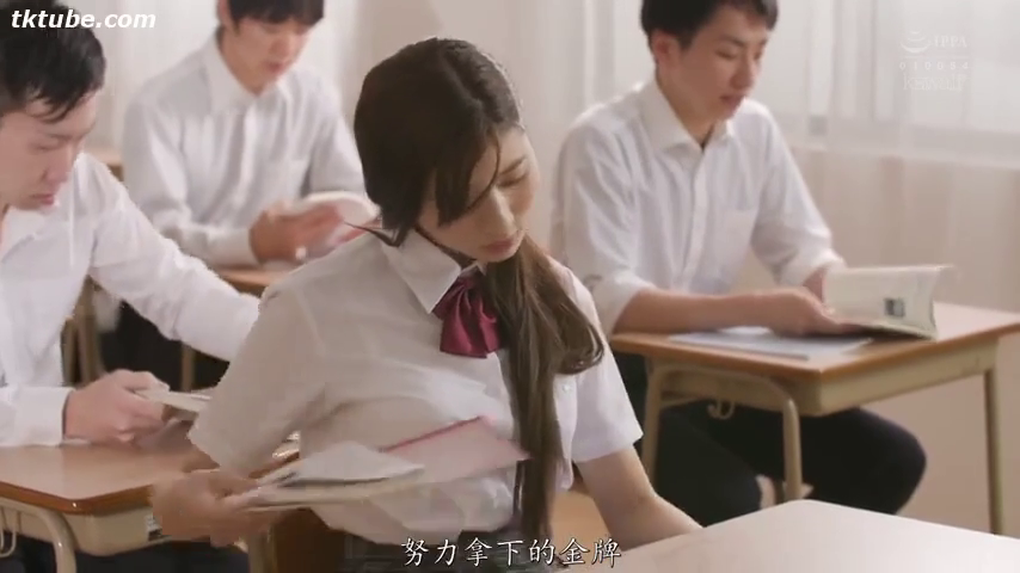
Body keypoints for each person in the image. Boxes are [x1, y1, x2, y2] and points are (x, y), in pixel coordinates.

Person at [148, 37, 703, 572]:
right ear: (399, 200)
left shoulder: (558, 295)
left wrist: (732, 555)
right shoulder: (317, 308)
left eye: (513, 177)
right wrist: (183, 508)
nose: (502, 220)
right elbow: (187, 485)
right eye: (463, 201)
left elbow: (633, 509)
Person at [549, 0, 926, 526]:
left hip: (709, 376)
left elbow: (801, 249)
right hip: (613, 382)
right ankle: (766, 553)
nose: (748, 76)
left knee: (890, 460)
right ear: (665, 48)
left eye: (759, 53)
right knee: (728, 498)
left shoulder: (755, 130)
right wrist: (761, 308)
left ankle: (781, 558)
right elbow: (611, 301)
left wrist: (850, 298)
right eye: (729, 54)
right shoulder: (602, 140)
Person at [0, 1, 256, 570]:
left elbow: (176, 288)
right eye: (46, 143)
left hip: (42, 485)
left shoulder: (81, 187)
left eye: (80, 139)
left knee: (215, 562)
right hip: (27, 497)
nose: (65, 167)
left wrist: (288, 347)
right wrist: (66, 412)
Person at [113, 0, 364, 390]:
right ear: (226, 12)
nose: (286, 48)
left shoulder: (313, 94)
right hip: (170, 312)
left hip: (273, 297)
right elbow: (154, 238)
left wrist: (344, 227)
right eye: (270, 28)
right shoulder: (160, 105)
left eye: (301, 31)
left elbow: (349, 194)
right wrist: (252, 244)